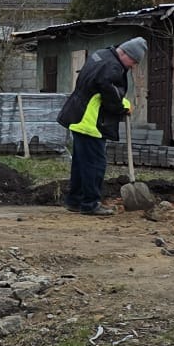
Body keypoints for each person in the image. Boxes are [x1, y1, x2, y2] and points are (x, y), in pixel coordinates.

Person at [57, 38, 146, 216]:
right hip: (91, 121)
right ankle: (90, 204)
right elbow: (110, 96)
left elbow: (100, 89)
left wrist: (121, 102)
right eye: (134, 62)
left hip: (78, 115)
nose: (133, 66)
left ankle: (75, 200)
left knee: (81, 163)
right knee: (95, 164)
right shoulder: (112, 68)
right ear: (126, 54)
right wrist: (123, 107)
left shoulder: (101, 55)